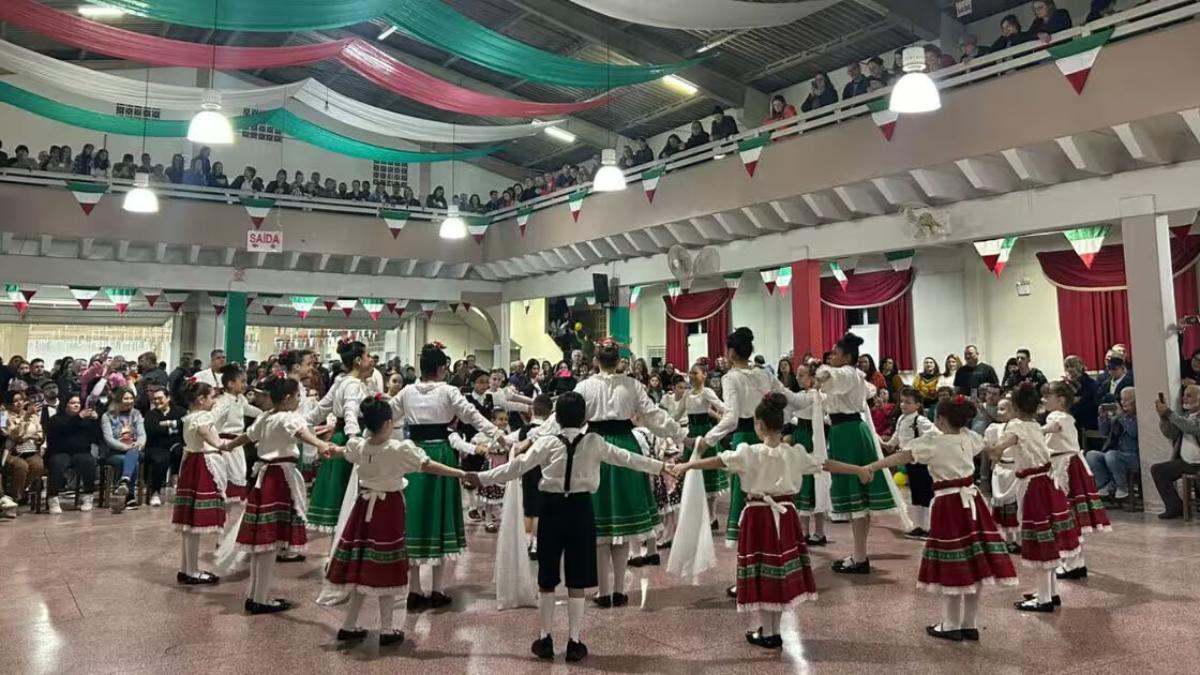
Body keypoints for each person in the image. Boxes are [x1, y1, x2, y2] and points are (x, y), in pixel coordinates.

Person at [467, 390, 672, 662]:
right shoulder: (595, 442)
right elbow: (627, 458)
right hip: (581, 510)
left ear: (557, 418)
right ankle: (575, 640)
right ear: (585, 417)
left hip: (550, 510)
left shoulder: (547, 443)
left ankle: (545, 637)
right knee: (578, 578)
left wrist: (481, 477)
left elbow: (515, 467)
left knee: (548, 577)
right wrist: (661, 466)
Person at [677, 393, 865, 649]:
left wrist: (687, 466)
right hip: (786, 515)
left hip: (758, 516)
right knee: (778, 571)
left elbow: (718, 460)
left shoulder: (749, 453)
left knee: (762, 570)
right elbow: (825, 464)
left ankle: (768, 631)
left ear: (759, 425)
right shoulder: (794, 453)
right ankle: (772, 629)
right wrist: (859, 469)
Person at [866, 395, 1017, 642]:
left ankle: (950, 624)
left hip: (948, 504)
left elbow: (903, 456)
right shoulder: (968, 436)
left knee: (953, 561)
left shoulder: (932, 441)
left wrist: (872, 467)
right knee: (974, 560)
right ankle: (970, 623)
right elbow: (989, 449)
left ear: (941, 419)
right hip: (973, 503)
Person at [389, 342, 504, 608]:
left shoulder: (406, 392)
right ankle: (437, 588)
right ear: (441, 368)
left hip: (413, 454)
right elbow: (474, 417)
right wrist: (500, 437)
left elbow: (386, 416)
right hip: (441, 454)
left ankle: (414, 589)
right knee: (440, 515)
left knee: (415, 515)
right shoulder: (449, 391)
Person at [225, 376, 335, 615]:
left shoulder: (266, 417)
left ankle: (256, 594)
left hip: (265, 479)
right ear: (287, 398)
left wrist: (229, 445)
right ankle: (261, 598)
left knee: (261, 543)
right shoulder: (288, 417)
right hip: (279, 480)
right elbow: (301, 433)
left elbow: (249, 436)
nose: (298, 400)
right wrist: (321, 444)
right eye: (297, 396)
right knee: (269, 543)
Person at [985, 382, 1079, 612]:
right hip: (1047, 482)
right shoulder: (1036, 424)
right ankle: (1050, 592)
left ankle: (1044, 599)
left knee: (1038, 540)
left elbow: (998, 450)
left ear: (1015, 408)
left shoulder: (1015, 426)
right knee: (1048, 537)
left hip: (1033, 487)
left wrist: (985, 444)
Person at [815, 333, 903, 574]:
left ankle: (860, 557)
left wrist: (820, 373)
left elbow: (829, 376)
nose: (831, 356)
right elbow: (870, 389)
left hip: (848, 434)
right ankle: (859, 554)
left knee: (857, 498)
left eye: (835, 353)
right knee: (860, 500)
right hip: (851, 431)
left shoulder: (844, 372)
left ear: (846, 356)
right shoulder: (855, 375)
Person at [1043, 379, 1110, 585]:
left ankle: (1071, 562)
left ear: (1061, 400)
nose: (1044, 400)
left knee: (1066, 514)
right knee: (1071, 516)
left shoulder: (1057, 416)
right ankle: (1076, 561)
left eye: (1048, 396)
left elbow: (1053, 427)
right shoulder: (1067, 417)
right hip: (1069, 464)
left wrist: (1032, 431)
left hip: (1065, 467)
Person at [306, 341, 374, 532]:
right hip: (348, 438)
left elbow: (321, 409)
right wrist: (353, 438)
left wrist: (301, 422)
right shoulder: (351, 384)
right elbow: (350, 411)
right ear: (358, 360)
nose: (371, 360)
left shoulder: (343, 381)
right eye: (368, 356)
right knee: (347, 491)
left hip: (340, 436)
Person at [172, 380, 228, 586]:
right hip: (202, 465)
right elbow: (212, 439)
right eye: (211, 397)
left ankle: (187, 568)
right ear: (201, 399)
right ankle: (192, 571)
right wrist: (231, 443)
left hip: (191, 464)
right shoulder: (202, 417)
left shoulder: (189, 417)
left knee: (188, 523)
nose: (214, 400)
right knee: (194, 522)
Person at [884, 388, 938, 538]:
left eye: (908, 402)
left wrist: (918, 446)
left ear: (917, 405)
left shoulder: (920, 420)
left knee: (926, 493)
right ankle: (919, 525)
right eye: (902, 401)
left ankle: (928, 526)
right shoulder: (901, 419)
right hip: (909, 462)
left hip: (921, 462)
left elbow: (934, 434)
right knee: (915, 493)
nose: (903, 405)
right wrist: (889, 444)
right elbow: (897, 435)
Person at [43, 394, 100, 514]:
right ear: (65, 405)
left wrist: (95, 421)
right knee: (57, 463)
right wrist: (78, 417)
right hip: (60, 452)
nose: (76, 405)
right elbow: (63, 429)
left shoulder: (85, 420)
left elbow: (94, 437)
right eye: (72, 403)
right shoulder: (56, 419)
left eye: (78, 403)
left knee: (88, 461)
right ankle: (53, 497)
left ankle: (88, 496)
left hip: (80, 452)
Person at [1150, 384, 1200, 519]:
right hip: (1186, 462)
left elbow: (1192, 428)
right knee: (1158, 470)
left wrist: (1169, 413)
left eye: (1189, 395)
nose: (1184, 398)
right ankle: (1174, 506)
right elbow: (1171, 434)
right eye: (1184, 395)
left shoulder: (1184, 418)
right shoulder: (1184, 416)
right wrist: (1163, 417)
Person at [1088, 387, 1138, 501]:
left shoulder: (1137, 417)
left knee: (1111, 455)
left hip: (1132, 456)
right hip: (1113, 453)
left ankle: (1121, 486)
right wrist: (1103, 417)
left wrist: (1122, 416)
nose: (1123, 402)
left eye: (1127, 400)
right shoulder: (1118, 416)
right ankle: (1106, 484)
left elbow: (1133, 432)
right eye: (1122, 399)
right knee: (1092, 455)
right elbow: (1104, 432)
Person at [984, 397, 1021, 552]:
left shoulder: (1020, 428)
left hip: (1015, 471)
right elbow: (991, 450)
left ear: (1014, 410)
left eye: (1003, 409)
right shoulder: (995, 428)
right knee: (1002, 507)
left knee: (1016, 506)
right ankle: (1005, 538)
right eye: (998, 409)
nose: (999, 412)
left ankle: (1018, 540)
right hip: (1000, 470)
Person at [101, 387, 145, 512]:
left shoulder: (136, 414)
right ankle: (130, 496)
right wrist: (124, 447)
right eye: (126, 398)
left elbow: (142, 434)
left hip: (135, 449)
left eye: (131, 398)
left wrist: (139, 443)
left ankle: (124, 480)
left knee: (133, 453)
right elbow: (108, 438)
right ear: (119, 399)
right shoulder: (107, 416)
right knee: (132, 462)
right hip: (115, 451)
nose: (129, 401)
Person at [3, 390, 44, 506]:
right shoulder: (3, 416)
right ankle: (14, 497)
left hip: (29, 448)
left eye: (20, 400)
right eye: (15, 401)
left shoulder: (32, 415)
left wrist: (33, 437)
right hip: (10, 450)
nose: (19, 403)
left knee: (38, 465)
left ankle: (16, 494)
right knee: (21, 466)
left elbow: (40, 433)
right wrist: (25, 417)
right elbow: (13, 434)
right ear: (8, 403)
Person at [1063, 355, 1099, 438]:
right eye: (1067, 367)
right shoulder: (1065, 384)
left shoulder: (1090, 383)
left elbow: (1086, 403)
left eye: (1072, 366)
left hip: (1086, 419)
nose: (1069, 370)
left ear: (1079, 367)